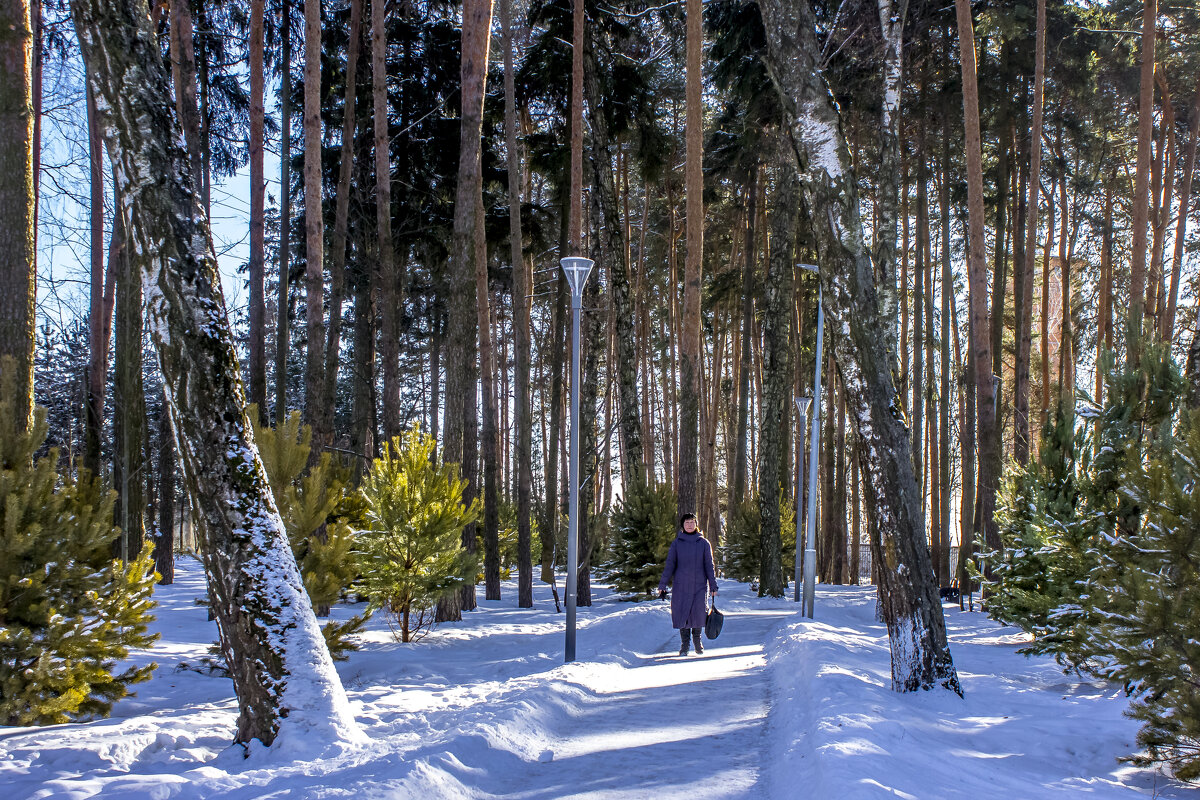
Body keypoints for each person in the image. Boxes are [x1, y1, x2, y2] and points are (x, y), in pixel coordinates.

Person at [658, 513, 718, 655]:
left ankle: (697, 641)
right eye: (687, 522)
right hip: (681, 586)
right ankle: (684, 645)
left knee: (698, 613)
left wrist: (713, 586)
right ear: (683, 525)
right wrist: (662, 584)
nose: (690, 525)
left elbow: (709, 566)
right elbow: (670, 565)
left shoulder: (704, 543)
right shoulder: (677, 543)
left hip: (699, 585)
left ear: (696, 524)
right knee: (682, 613)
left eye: (692, 522)